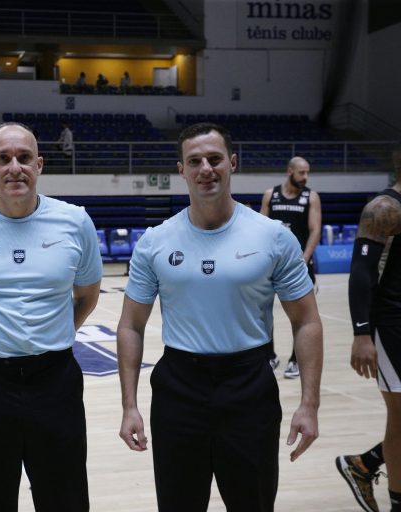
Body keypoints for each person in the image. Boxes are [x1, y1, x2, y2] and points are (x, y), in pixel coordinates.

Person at [117, 122, 323, 511]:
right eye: (195, 161)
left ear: (232, 163)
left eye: (214, 159)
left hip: (249, 388)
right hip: (179, 388)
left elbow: (307, 321)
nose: (206, 169)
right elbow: (130, 325)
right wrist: (129, 406)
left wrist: (309, 404)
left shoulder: (273, 237)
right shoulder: (154, 242)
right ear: (181, 170)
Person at [0, 122, 103, 511]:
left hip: (55, 380)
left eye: (24, 158)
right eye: (4, 158)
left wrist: (55, 334)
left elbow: (87, 294)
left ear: (39, 164)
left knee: (65, 498)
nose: (15, 167)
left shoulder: (75, 221)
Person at [336, 143, 401, 512]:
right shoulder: (384, 208)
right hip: (392, 325)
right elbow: (361, 273)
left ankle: (364, 464)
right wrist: (361, 334)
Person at [261, 156, 322, 378]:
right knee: (263, 311)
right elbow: (261, 228)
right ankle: (270, 356)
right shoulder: (271, 195)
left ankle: (296, 361)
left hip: (300, 264)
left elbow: (315, 230)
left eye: (307, 173)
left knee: (301, 315)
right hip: (272, 264)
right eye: (301, 172)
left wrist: (304, 259)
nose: (305, 177)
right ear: (290, 171)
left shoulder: (310, 197)